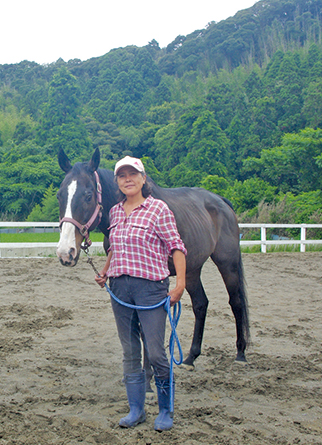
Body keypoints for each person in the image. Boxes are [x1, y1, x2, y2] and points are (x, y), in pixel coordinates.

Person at [94, 155, 186, 431]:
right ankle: (136, 410)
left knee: (156, 352)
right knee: (130, 351)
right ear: (118, 182)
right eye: (122, 176)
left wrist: (180, 284)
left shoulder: (158, 209)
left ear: (143, 179)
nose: (128, 179)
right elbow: (115, 247)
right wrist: (106, 271)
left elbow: (176, 246)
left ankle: (165, 410)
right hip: (120, 288)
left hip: (150, 288)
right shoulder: (114, 212)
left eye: (133, 174)